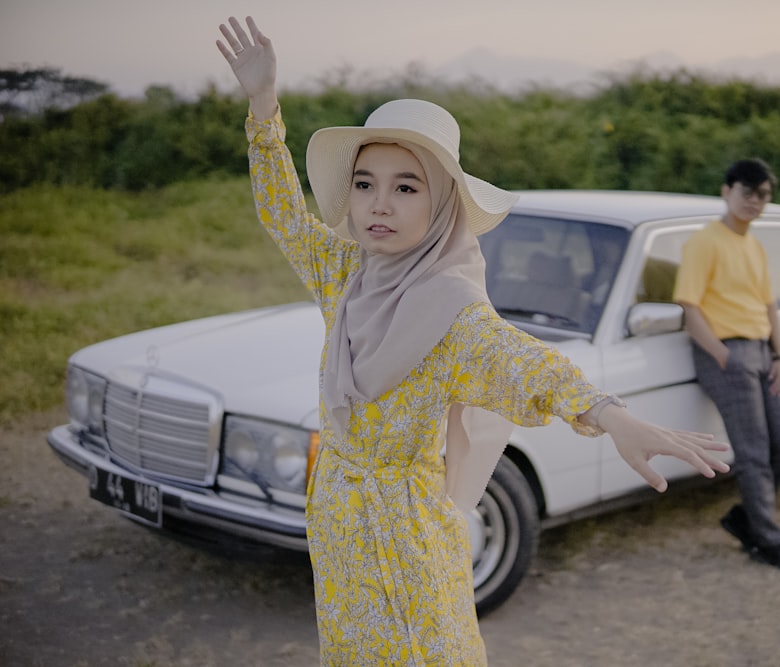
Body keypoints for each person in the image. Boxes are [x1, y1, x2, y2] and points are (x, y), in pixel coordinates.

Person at [216, 16, 730, 665]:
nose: (379, 204)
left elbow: (523, 363)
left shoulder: (452, 311)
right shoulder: (346, 275)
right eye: (366, 184)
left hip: (408, 529)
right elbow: (283, 214)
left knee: (432, 653)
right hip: (337, 515)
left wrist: (608, 412)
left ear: (443, 205)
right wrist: (264, 108)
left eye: (407, 187)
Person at [673, 158, 780, 573]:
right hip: (726, 353)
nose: (754, 201)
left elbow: (769, 305)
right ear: (726, 191)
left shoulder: (754, 245)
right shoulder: (705, 241)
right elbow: (689, 307)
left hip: (762, 352)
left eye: (763, 195)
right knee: (753, 452)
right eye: (747, 192)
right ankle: (768, 541)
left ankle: (746, 518)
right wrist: (721, 354)